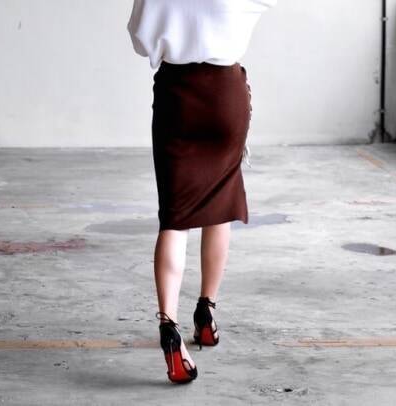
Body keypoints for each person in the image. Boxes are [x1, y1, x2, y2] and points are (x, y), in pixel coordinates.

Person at [126, 0, 277, 384]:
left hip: (176, 96)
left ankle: (169, 328)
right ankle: (206, 314)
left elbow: (140, 40)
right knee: (219, 203)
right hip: (225, 95)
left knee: (174, 218)